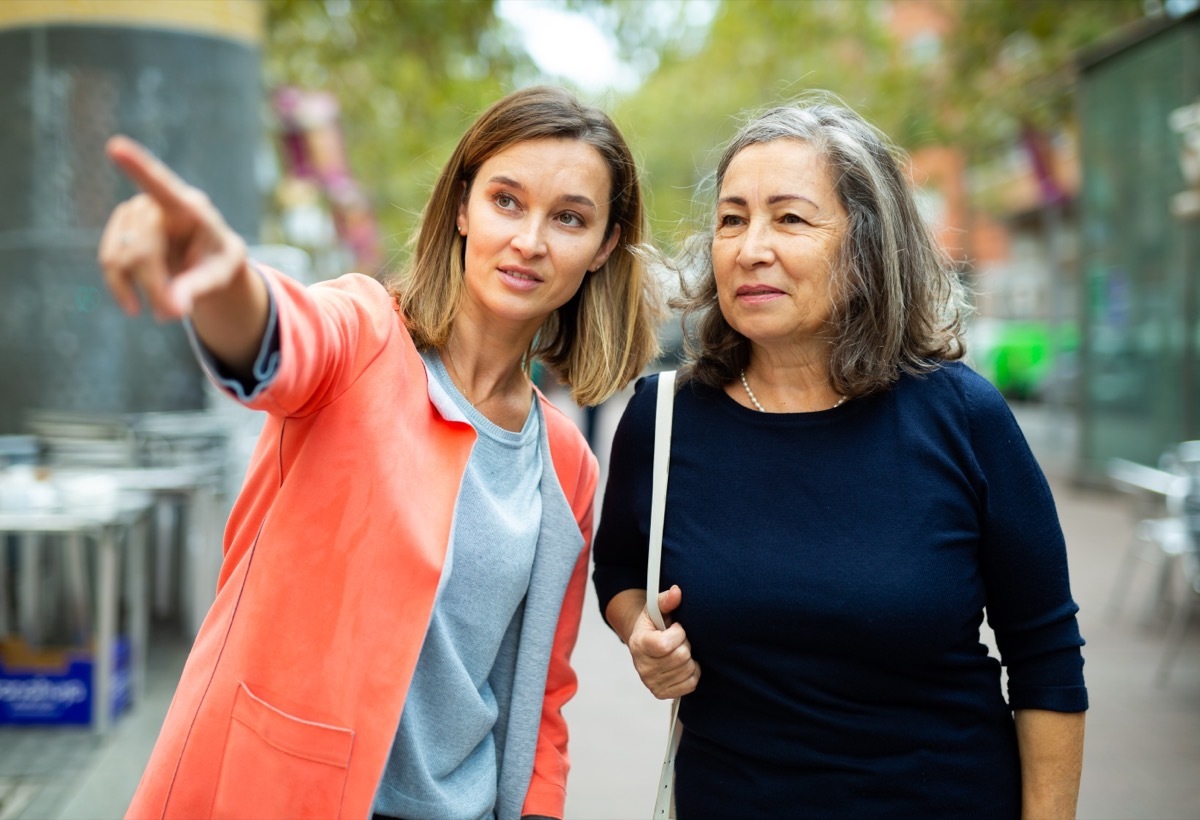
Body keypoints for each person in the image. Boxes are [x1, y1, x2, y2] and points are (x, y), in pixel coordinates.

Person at [98, 85, 661, 820]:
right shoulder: (364, 335)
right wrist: (222, 273)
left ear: (603, 247)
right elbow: (282, 335)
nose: (529, 240)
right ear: (462, 208)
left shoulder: (567, 463)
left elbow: (539, 694)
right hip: (279, 794)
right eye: (506, 201)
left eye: (569, 218)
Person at [592, 95, 1087, 819]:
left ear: (865, 246)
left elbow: (1046, 659)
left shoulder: (964, 417)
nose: (750, 246)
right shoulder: (665, 419)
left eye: (789, 218)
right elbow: (618, 571)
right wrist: (641, 632)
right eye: (732, 219)